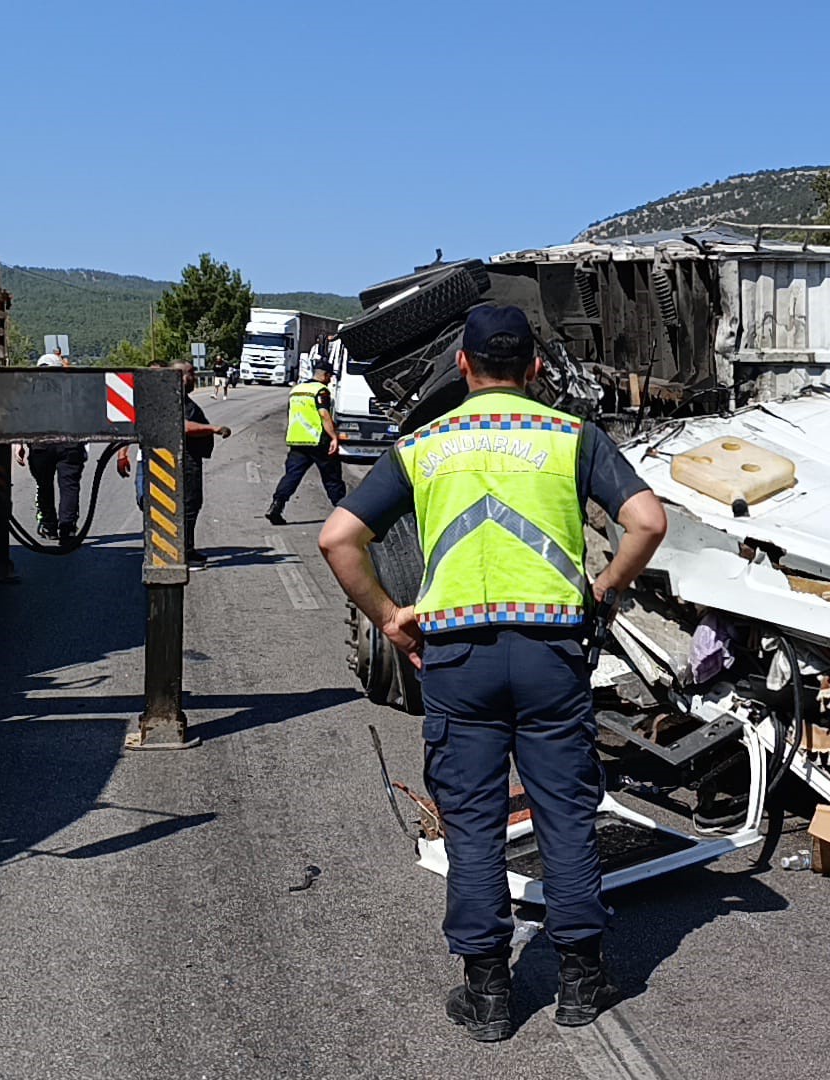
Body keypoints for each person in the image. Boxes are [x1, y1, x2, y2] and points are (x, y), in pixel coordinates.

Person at [318, 305, 668, 1043]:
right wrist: (601, 591)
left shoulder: (423, 446)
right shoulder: (572, 438)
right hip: (550, 653)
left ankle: (488, 994)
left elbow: (338, 536)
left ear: (463, 366)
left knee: (473, 824)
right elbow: (648, 522)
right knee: (565, 812)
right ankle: (580, 978)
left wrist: (388, 615)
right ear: (536, 368)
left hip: (458, 658)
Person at [117, 362, 232, 566]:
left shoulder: (175, 398)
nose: (194, 378)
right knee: (187, 504)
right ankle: (182, 552)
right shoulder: (172, 399)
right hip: (183, 459)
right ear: (179, 376)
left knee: (189, 505)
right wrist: (213, 428)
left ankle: (183, 548)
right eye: (190, 374)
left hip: (182, 458)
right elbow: (182, 426)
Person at [14, 352, 87, 542]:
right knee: (69, 486)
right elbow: (84, 413)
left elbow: (22, 418)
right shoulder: (72, 388)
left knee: (44, 486)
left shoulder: (30, 391)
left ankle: (49, 525)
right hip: (69, 445)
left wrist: (19, 443)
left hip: (41, 446)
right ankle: (67, 528)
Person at [264, 361, 347, 524]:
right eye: (329, 377)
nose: (330, 380)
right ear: (325, 375)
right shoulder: (321, 391)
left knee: (292, 475)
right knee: (332, 477)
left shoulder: (296, 390)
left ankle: (276, 505)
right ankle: (343, 514)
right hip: (318, 440)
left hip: (297, 440)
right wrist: (334, 438)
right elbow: (324, 415)